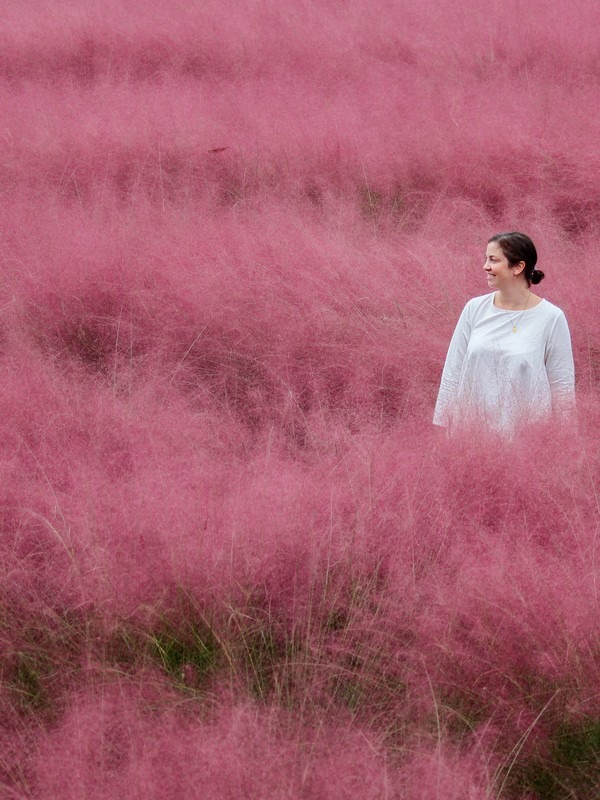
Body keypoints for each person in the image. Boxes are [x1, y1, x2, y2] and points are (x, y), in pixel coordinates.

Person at [433, 232, 575, 435]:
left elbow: (562, 387)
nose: (485, 266)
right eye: (486, 259)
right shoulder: (474, 308)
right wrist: (443, 427)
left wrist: (565, 439)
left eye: (493, 260)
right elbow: (453, 371)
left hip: (527, 437)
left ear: (518, 267)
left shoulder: (551, 318)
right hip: (471, 434)